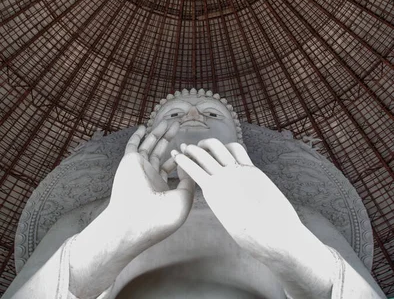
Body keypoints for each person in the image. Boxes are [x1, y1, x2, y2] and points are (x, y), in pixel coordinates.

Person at [4, 90, 386, 299]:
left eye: (211, 114)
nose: (192, 118)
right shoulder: (91, 216)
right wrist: (114, 237)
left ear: (238, 141)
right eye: (172, 115)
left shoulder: (294, 215)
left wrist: (284, 245)